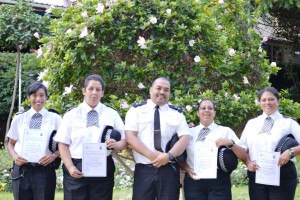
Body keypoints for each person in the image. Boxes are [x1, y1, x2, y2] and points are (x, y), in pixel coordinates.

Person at [54, 74, 127, 200]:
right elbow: (63, 144)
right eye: (91, 89)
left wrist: (116, 144)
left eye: (98, 89)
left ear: (102, 93)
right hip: (76, 168)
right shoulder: (71, 115)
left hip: (102, 167)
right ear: (84, 91)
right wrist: (70, 167)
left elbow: (124, 140)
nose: (94, 92)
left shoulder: (111, 114)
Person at [125, 77, 191, 200]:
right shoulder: (136, 110)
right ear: (150, 90)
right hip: (144, 170)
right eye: (158, 88)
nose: (162, 92)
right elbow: (130, 136)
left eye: (166, 90)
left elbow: (185, 138)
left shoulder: (176, 113)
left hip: (169, 170)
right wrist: (151, 155)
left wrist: (169, 156)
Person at [180, 99, 250, 200]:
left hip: (219, 181)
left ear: (214, 113)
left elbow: (243, 155)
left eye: (210, 108)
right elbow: (179, 156)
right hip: (194, 180)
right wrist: (187, 170)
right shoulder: (189, 133)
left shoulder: (225, 131)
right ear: (197, 113)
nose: (206, 110)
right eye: (203, 108)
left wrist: (231, 143)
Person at [240, 86, 300, 200]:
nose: (267, 102)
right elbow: (243, 148)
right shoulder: (252, 124)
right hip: (258, 174)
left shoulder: (289, 123)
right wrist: (247, 162)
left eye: (271, 99)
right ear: (259, 103)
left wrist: (291, 152)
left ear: (278, 101)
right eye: (264, 100)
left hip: (282, 174)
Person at [6, 81, 61, 200]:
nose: (38, 99)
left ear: (46, 97)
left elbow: (64, 144)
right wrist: (15, 157)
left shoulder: (56, 119)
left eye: (41, 95)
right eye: (34, 95)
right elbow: (10, 143)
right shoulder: (19, 118)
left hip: (45, 170)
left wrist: (55, 155)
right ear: (28, 97)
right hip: (22, 170)